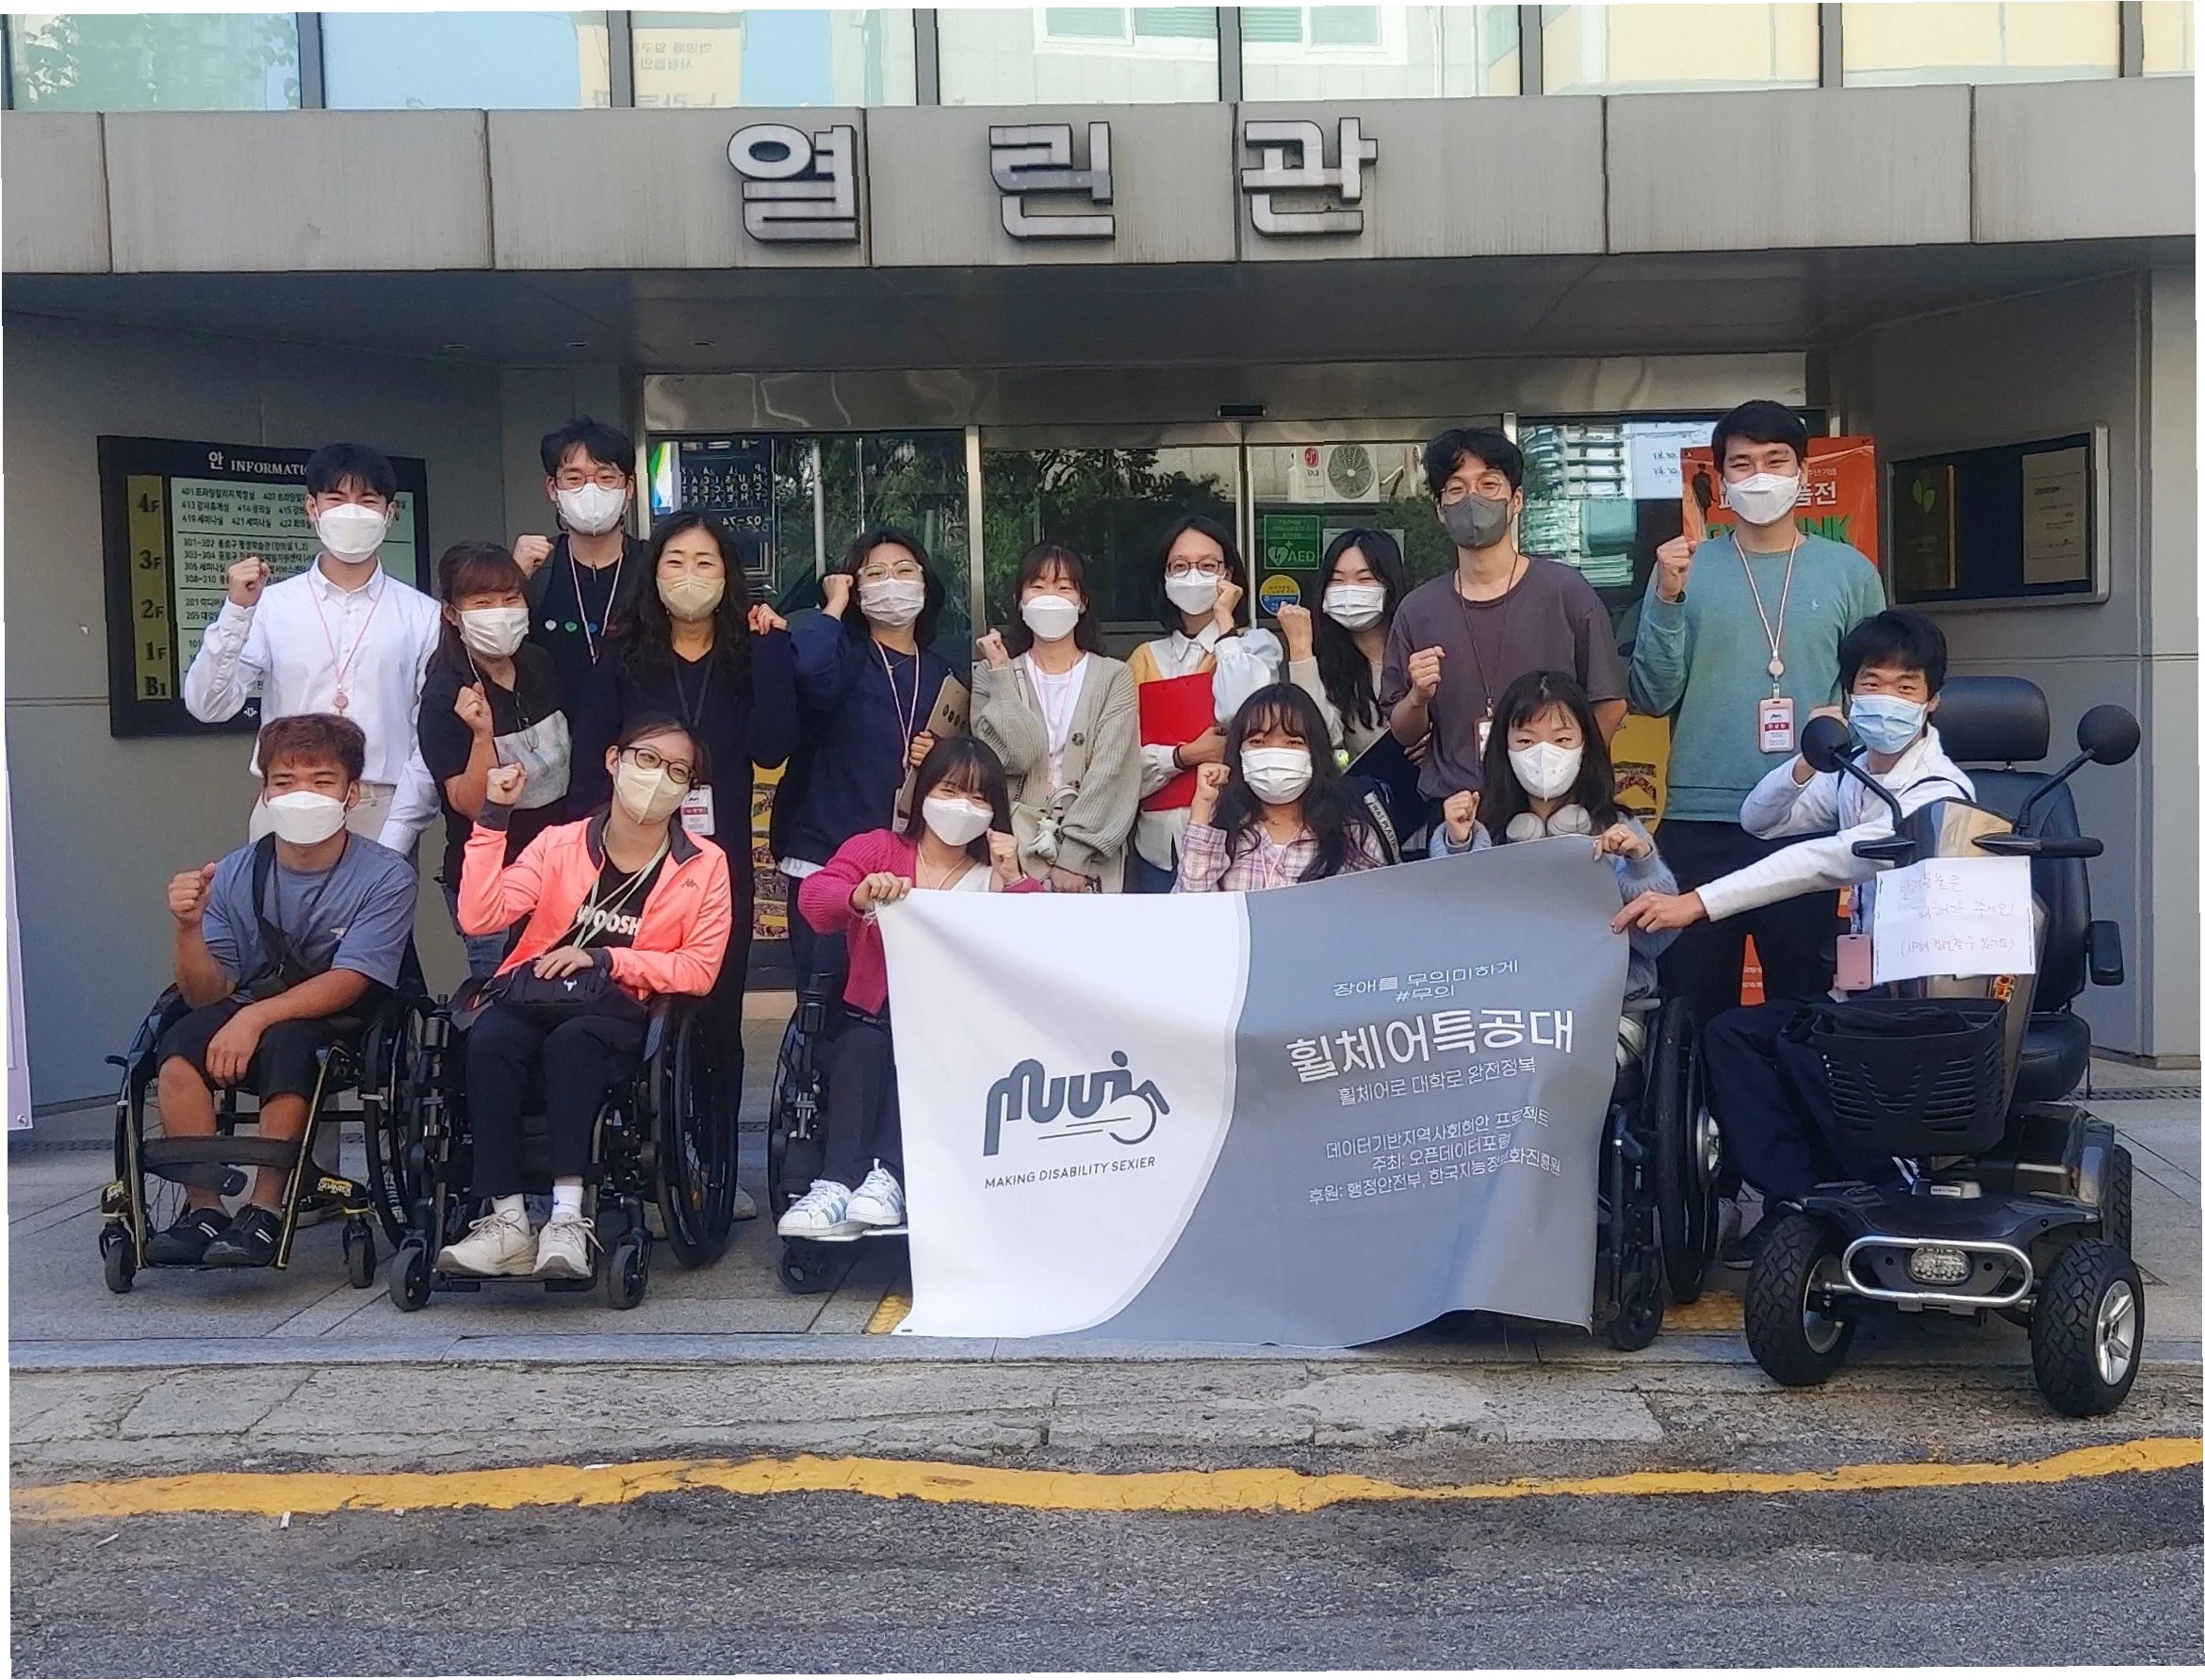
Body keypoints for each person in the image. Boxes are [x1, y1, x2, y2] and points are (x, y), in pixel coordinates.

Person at [1615, 612, 1971, 1245]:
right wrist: (1807, 761)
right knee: (1734, 1036)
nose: (1886, 699)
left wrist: (1697, 903)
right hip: (1861, 995)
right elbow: (1760, 818)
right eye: (1871, 683)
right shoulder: (1858, 773)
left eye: (1906, 686)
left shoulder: (1938, 791)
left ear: (1932, 700)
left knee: (1812, 1051)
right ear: (1849, 693)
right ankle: (1797, 1202)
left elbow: (1822, 860)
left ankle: (1889, 1194)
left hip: (1920, 1006)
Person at [438, 718, 732, 1280]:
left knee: (575, 1043)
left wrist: (606, 959)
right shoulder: (559, 843)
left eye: (678, 771)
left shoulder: (704, 863)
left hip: (623, 1009)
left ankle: (568, 1218)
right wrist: (493, 820)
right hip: (535, 996)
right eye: (647, 760)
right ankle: (507, 1221)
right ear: (614, 760)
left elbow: (699, 969)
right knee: (491, 1037)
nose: (659, 778)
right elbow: (478, 916)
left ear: (689, 789)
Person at [1627, 400, 1887, 1033]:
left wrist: (1844, 722)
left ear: (1803, 474)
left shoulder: (1850, 572)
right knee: (1692, 1013)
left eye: (1776, 460)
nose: (1760, 476)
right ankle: (1700, 1105)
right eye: (1742, 464)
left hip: (1808, 819)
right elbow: (1652, 694)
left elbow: (1878, 690)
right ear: (1720, 481)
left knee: (1802, 1009)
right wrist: (1665, 598)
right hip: (1700, 820)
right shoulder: (1687, 569)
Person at [145, 715, 418, 1268]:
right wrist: (188, 928)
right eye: (285, 782)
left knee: (290, 1044)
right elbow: (207, 991)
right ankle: (204, 1209)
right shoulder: (234, 872)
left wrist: (254, 1020)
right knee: (178, 1048)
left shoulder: (387, 876)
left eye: (322, 781)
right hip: (246, 1001)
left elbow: (353, 978)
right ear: (265, 794)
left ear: (351, 793)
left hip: (336, 1014)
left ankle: (266, 1208)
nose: (302, 795)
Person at [779, 737, 1042, 1241]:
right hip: (875, 1016)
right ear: (923, 793)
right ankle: (836, 1183)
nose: (963, 807)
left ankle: (890, 1176)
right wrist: (857, 896)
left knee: (927, 1052)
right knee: (860, 1045)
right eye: (950, 790)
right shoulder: (879, 849)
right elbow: (815, 899)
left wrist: (1014, 878)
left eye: (979, 797)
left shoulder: (993, 876)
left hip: (960, 1028)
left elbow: (1034, 946)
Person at [570, 508, 798, 1014]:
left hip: (720, 856)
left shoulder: (751, 653)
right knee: (628, 1002)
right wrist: (584, 855)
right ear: (653, 572)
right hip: (629, 854)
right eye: (675, 562)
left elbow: (772, 746)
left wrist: (771, 650)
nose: (689, 575)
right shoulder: (624, 654)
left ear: (726, 574)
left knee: (717, 1005)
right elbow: (589, 759)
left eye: (704, 562)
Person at [182, 442, 442, 854]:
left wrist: (399, 832)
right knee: (272, 900)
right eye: (335, 499)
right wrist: (236, 611)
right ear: (312, 508)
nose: (351, 512)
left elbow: (428, 735)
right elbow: (208, 705)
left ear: (390, 513)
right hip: (287, 797)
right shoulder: (270, 605)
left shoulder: (422, 614)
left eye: (367, 500)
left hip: (379, 805)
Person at [1380, 428, 1627, 815]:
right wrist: (1418, 696)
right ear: (1440, 510)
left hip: (1550, 813)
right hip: (1454, 813)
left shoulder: (1566, 593)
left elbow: (1609, 704)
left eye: (1489, 484)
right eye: (1456, 489)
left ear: (1516, 501)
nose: (1473, 498)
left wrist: (1569, 784)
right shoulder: (1417, 610)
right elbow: (1403, 731)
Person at [1439, 671, 1677, 1044]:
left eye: (1562, 739)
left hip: (1607, 1015)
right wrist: (1459, 847)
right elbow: (1455, 939)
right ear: (1503, 748)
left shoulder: (1619, 828)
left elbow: (1657, 941)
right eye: (1525, 740)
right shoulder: (1481, 830)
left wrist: (1641, 863)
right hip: (1504, 1018)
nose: (1543, 753)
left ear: (1586, 746)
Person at [774, 528, 958, 986]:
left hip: (907, 869)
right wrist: (834, 604)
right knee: (825, 1001)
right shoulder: (840, 655)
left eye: (904, 571)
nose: (891, 583)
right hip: (827, 858)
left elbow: (960, 773)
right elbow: (806, 669)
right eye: (874, 574)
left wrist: (938, 756)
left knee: (900, 1002)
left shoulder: (944, 674)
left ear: (925, 583)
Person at [416, 542, 570, 979]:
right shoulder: (446, 694)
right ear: (452, 614)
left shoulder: (540, 664)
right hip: (492, 882)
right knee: (502, 996)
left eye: (510, 599)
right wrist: (483, 736)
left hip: (558, 872)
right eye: (482, 604)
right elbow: (468, 803)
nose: (500, 613)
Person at [1124, 515, 1282, 892]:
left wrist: (1226, 624)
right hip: (1157, 848)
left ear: (1229, 575)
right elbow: (1123, 763)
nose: (1193, 575)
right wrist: (1184, 756)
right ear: (1164, 578)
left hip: (1238, 840)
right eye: (1179, 566)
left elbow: (1242, 713)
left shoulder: (1255, 646)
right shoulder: (1143, 658)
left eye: (1208, 565)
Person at [972, 541, 1140, 893]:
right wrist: (1002, 674)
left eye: (1064, 588)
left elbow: (1114, 771)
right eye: (1037, 586)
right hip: (1011, 849)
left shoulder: (1114, 676)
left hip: (1091, 860)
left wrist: (1074, 857)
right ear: (1020, 601)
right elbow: (1013, 757)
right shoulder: (991, 675)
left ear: (1083, 602)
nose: (1050, 598)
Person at [1174, 684, 1389, 891]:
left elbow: (1375, 908)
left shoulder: (1352, 835)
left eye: (1293, 742)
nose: (1274, 753)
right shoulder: (1221, 831)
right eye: (1258, 742)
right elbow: (1190, 908)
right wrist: (1202, 807)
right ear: (1238, 753)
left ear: (1316, 754)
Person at [512, 416, 649, 713]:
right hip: (551, 735)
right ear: (553, 488)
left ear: (629, 487)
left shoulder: (655, 565)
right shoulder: (536, 568)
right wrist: (511, 579)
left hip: (642, 735)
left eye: (606, 477)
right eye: (574, 479)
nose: (591, 490)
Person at [1278, 528, 1410, 759]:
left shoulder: (1418, 646)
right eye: (1337, 580)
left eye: (1364, 579)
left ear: (1390, 584)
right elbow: (1319, 735)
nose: (1349, 590)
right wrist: (1301, 648)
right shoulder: (1330, 664)